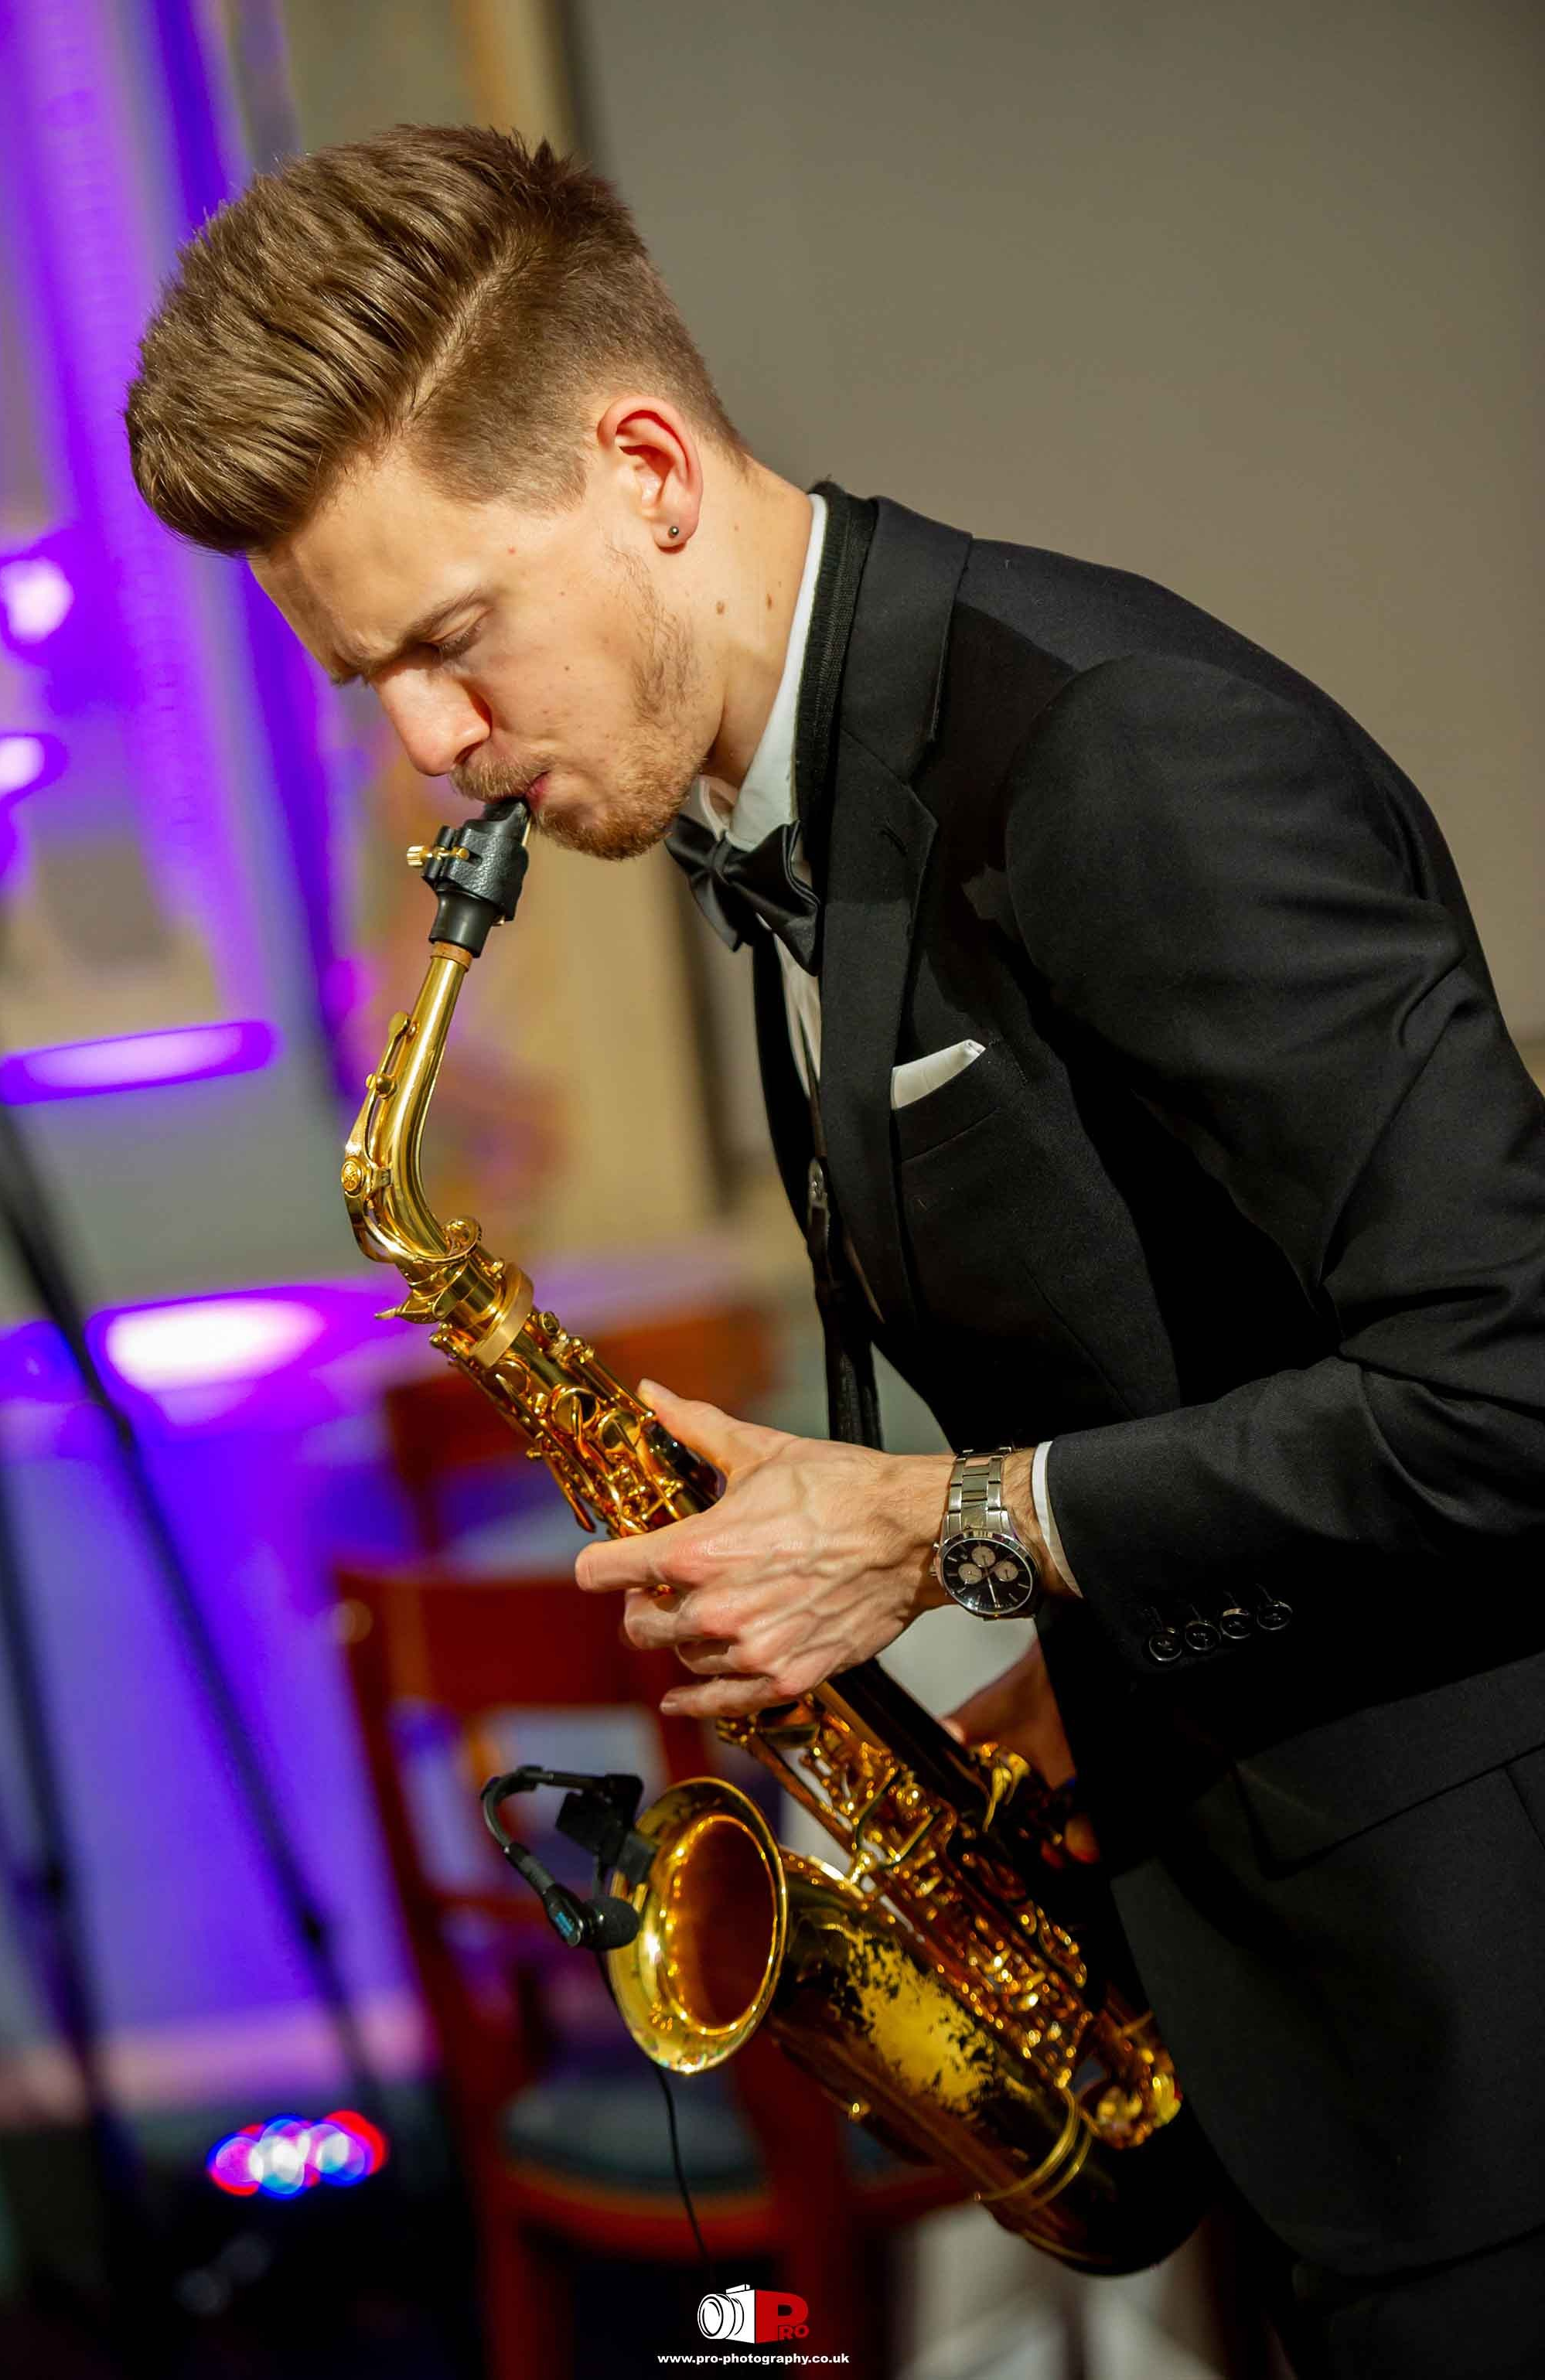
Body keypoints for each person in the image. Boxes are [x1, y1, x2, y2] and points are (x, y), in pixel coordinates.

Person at [126, 125, 1545, 2378]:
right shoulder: (804, 799)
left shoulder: (1114, 753)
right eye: (362, 680)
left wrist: (939, 1526)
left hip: (1489, 2057)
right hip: (1307, 2040)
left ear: (648, 469)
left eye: (452, 640)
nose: (428, 746)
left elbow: (1513, 1384)